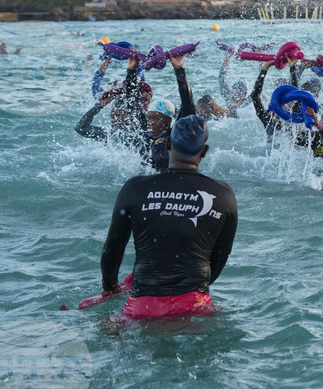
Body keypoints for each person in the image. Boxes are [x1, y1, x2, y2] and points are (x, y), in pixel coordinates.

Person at [99, 115, 238, 320]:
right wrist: (195, 288)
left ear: (168, 143)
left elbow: (113, 248)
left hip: (143, 306)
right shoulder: (224, 195)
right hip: (196, 306)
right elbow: (219, 258)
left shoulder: (135, 188)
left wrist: (110, 288)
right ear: (205, 151)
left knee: (110, 332)